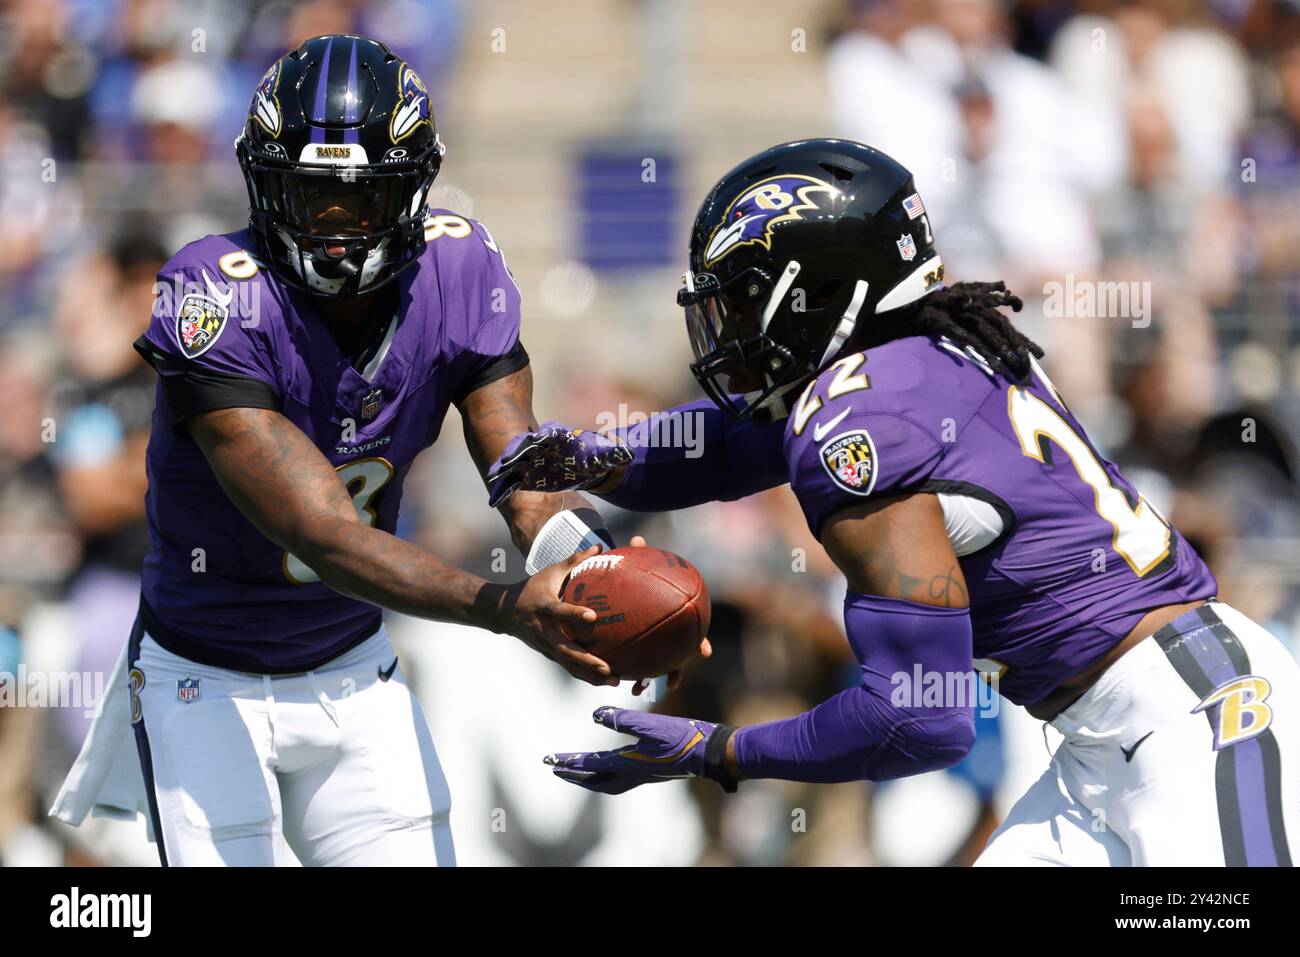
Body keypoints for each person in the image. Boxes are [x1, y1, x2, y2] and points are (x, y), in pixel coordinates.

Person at [489, 138, 1299, 866]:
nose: (726, 326)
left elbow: (921, 717)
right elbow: (731, 445)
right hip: (1101, 738)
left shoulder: (859, 421)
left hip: (1196, 716)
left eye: (742, 299)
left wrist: (718, 750)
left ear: (819, 290)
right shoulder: (924, 357)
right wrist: (591, 456)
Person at [54, 34, 628, 868]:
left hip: (354, 667)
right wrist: (506, 611)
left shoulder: (456, 265)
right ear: (263, 182)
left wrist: (594, 577)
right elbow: (323, 533)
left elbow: (524, 473)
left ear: (412, 192)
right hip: (201, 677)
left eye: (357, 201)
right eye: (308, 194)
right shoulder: (214, 294)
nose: (331, 227)